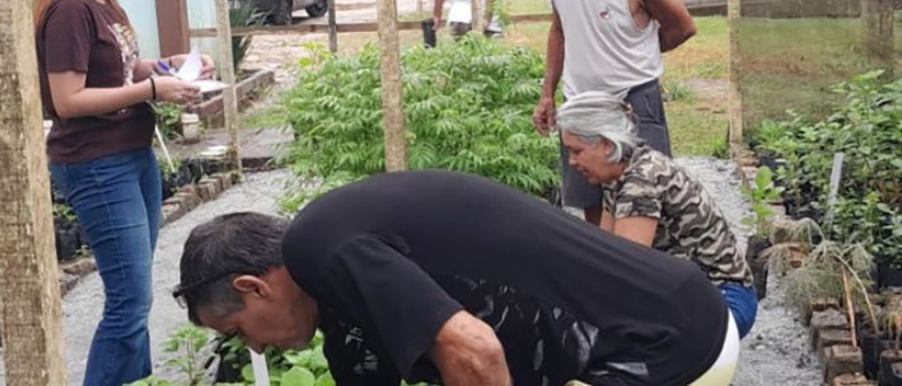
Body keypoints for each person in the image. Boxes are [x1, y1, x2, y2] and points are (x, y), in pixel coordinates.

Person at [176, 171, 740, 386]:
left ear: (255, 287)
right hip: (670, 320)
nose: (250, 346)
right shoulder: (338, 296)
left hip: (662, 340)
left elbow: (476, 352)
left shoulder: (318, 245)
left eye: (237, 331)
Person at [33, 0, 214, 386]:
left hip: (130, 154)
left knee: (135, 296)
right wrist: (153, 88)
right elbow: (68, 98)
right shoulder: (69, 7)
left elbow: (114, 67)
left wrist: (165, 65)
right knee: (129, 301)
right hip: (96, 164)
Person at [532, 0, 697, 225]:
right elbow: (559, 29)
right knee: (593, 215)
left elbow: (682, 26)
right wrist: (547, 93)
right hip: (579, 107)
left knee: (645, 207)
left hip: (633, 104)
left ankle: (648, 278)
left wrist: (640, 53)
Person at [557, 92, 758, 339]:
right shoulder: (619, 172)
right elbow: (604, 253)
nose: (572, 162)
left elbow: (624, 274)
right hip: (690, 291)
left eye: (576, 151)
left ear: (608, 144)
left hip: (723, 299)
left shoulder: (642, 182)